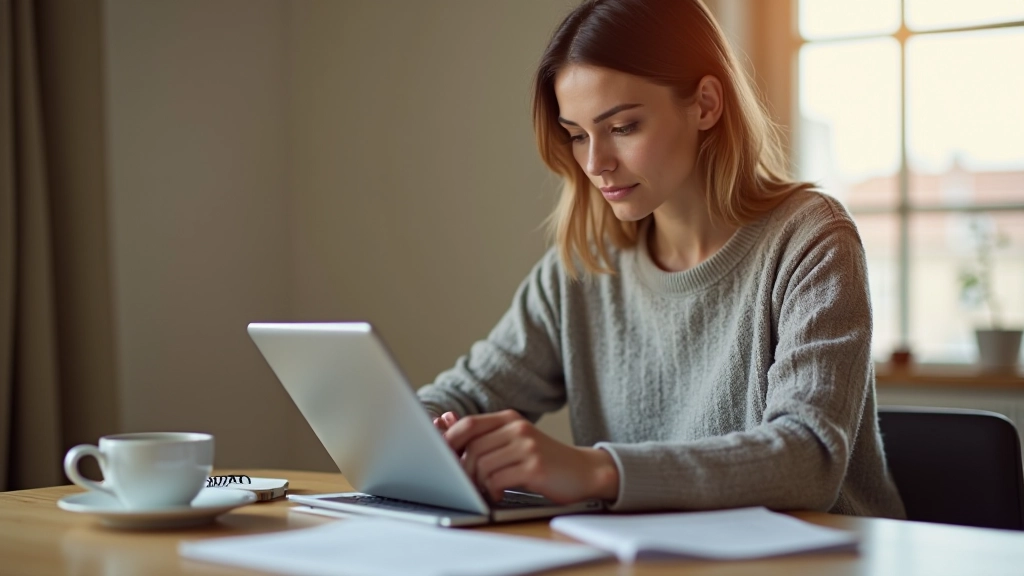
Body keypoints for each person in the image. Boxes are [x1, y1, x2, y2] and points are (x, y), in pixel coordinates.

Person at [416, 0, 906, 519]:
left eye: (623, 127)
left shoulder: (810, 239)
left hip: (829, 552)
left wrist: (596, 471)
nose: (595, 163)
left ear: (706, 104)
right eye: (577, 135)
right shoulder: (583, 269)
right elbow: (463, 395)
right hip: (655, 555)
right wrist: (425, 433)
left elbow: (807, 461)